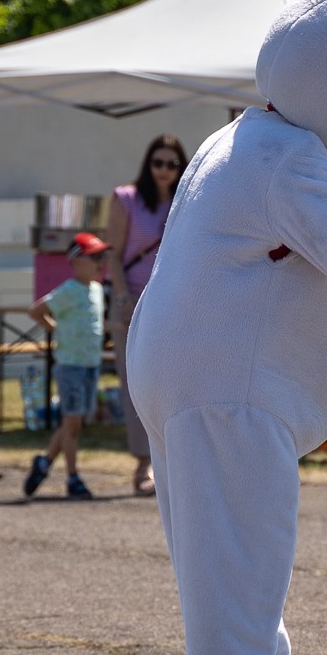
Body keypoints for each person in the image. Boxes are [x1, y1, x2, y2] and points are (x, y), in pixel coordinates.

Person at [107, 135, 185, 496]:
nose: (164, 171)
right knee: (135, 383)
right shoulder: (126, 198)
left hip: (173, 300)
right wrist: (122, 297)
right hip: (133, 299)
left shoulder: (186, 200)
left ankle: (174, 462)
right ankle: (143, 463)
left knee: (174, 382)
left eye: (172, 164)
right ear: (147, 164)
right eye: (158, 163)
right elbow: (112, 253)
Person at [24, 231, 109, 500]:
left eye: (102, 257)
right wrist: (55, 329)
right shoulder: (69, 290)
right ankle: (73, 478)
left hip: (90, 364)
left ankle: (45, 462)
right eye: (94, 258)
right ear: (76, 261)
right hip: (71, 365)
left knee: (76, 423)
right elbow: (36, 311)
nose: (101, 263)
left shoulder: (97, 289)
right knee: (72, 423)